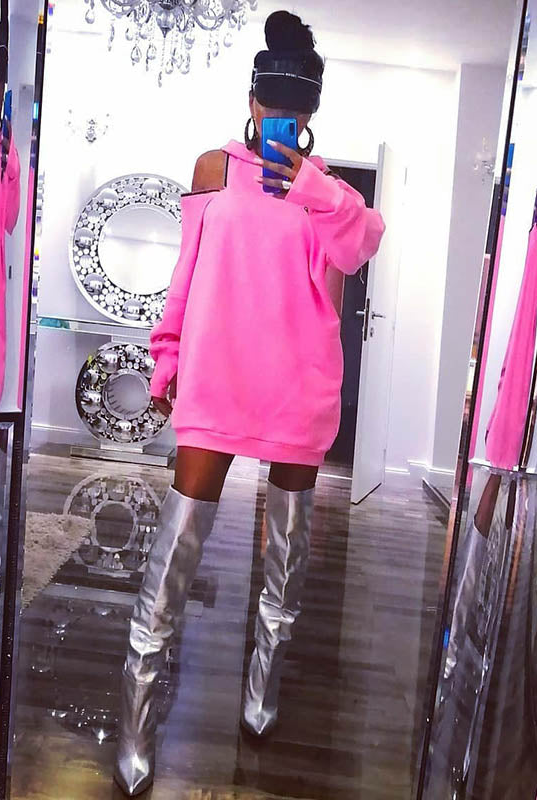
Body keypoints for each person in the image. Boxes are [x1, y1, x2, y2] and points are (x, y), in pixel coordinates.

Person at [114, 9, 385, 796]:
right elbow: (187, 273)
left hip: (299, 388)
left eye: (296, 111)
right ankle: (135, 723)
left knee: (285, 558)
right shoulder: (213, 168)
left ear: (310, 115)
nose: (280, 121)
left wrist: (314, 190)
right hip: (219, 375)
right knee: (175, 551)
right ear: (253, 101)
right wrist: (167, 357)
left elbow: (363, 244)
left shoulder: (329, 193)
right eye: (273, 107)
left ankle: (262, 690)